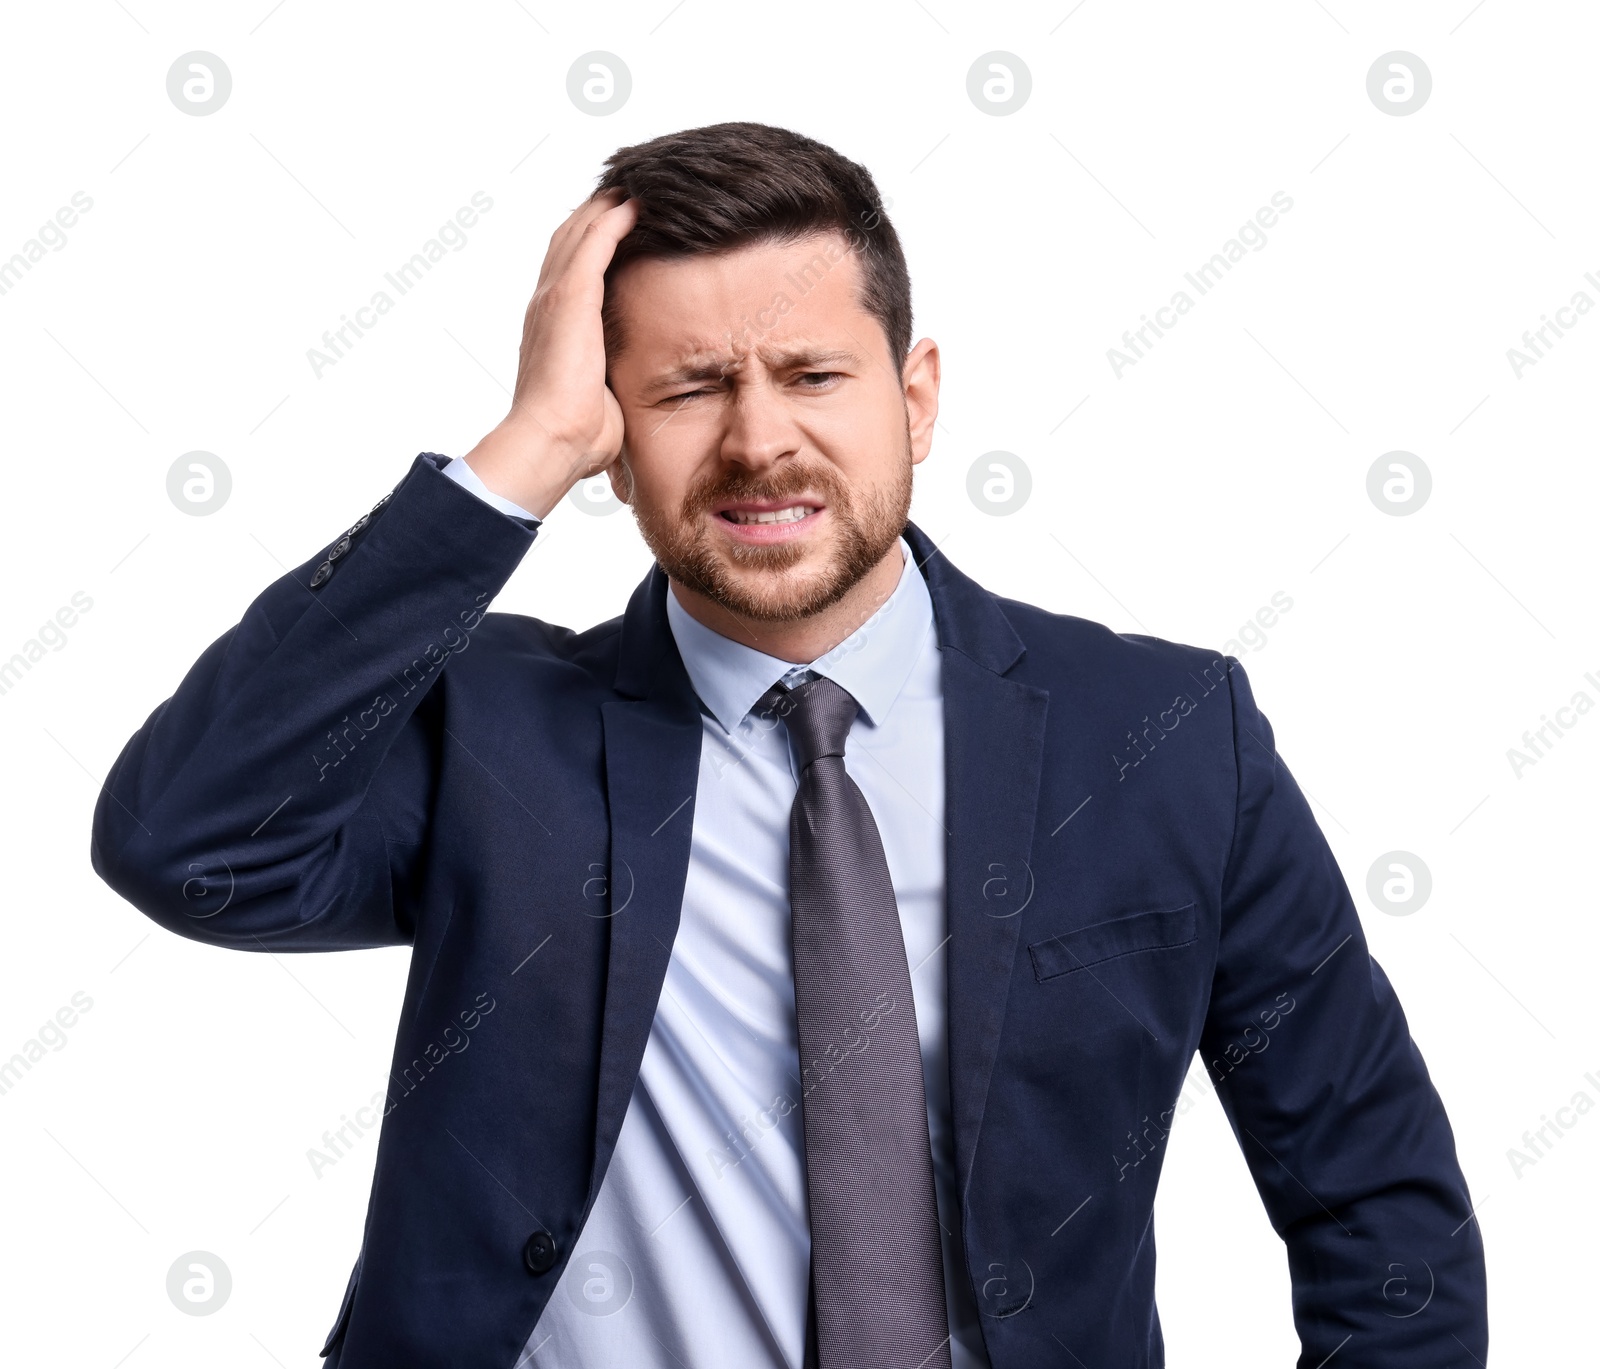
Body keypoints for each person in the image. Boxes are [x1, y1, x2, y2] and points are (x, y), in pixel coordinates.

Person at [91, 122, 1487, 1368]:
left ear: (918, 395)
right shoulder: (488, 730)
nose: (761, 440)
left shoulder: (1172, 737)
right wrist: (517, 449)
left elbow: (1375, 1204)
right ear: (614, 440)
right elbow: (184, 840)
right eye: (690, 388)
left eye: (815, 372)